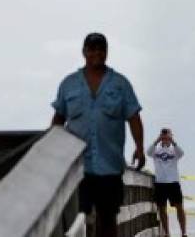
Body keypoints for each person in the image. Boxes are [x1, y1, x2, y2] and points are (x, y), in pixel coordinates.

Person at [52, 32, 145, 237]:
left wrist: (139, 147)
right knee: (78, 219)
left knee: (108, 217)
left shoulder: (120, 84)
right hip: (77, 167)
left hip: (109, 165)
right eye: (92, 49)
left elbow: (134, 118)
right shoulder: (69, 84)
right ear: (84, 52)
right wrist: (53, 153)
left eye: (101, 49)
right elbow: (58, 119)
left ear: (107, 52)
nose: (97, 53)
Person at [149, 127, 187, 237]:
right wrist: (157, 140)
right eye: (163, 135)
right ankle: (167, 233)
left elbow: (181, 153)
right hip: (160, 183)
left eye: (167, 135)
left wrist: (172, 141)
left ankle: (183, 232)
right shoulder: (156, 150)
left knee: (179, 207)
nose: (165, 137)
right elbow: (148, 152)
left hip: (173, 182)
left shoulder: (174, 150)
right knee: (162, 208)